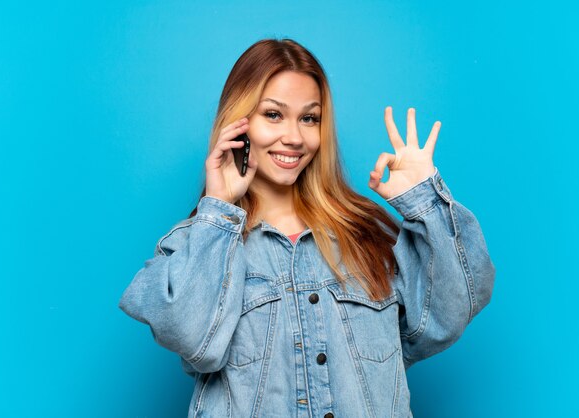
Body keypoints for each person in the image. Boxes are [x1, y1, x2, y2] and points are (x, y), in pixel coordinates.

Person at [119, 38, 496, 418]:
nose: (295, 137)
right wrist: (219, 207)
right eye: (273, 114)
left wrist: (423, 200)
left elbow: (444, 317)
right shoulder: (197, 243)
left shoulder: (364, 236)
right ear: (239, 123)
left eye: (309, 118)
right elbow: (194, 340)